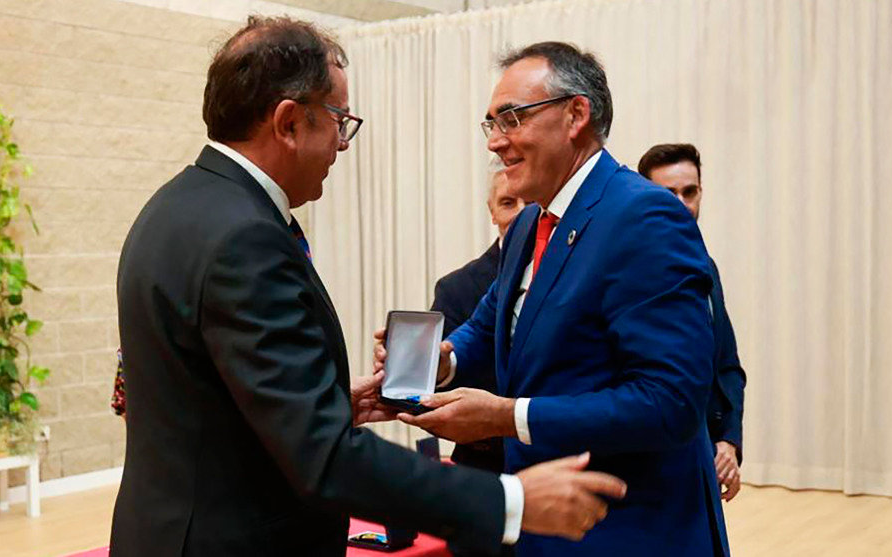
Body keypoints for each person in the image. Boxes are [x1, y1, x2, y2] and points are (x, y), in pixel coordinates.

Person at [110, 18, 626, 557]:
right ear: (289, 122)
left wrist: (325, 401)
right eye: (338, 121)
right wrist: (510, 500)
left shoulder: (177, 206)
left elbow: (207, 403)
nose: (342, 144)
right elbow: (326, 459)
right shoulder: (245, 239)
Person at [376, 42, 730, 556]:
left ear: (576, 115)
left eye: (512, 119)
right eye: (490, 124)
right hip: (547, 529)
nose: (496, 142)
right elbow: (490, 322)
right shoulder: (529, 222)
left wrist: (505, 416)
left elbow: (670, 402)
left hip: (629, 532)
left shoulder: (645, 218)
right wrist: (439, 363)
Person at [637, 143, 747, 502]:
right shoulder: (624, 273)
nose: (682, 204)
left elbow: (727, 366)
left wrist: (728, 441)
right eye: (667, 194)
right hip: (647, 468)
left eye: (690, 192)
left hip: (703, 462)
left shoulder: (706, 267)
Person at [431, 162, 524, 475]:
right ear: (492, 211)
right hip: (484, 470)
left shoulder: (573, 270)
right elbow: (434, 392)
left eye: (530, 201)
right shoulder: (457, 287)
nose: (521, 213)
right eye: (508, 203)